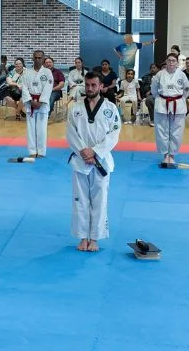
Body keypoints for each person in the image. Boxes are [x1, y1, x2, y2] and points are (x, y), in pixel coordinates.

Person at [66, 72, 121, 252]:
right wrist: (85, 152)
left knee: (100, 200)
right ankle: (83, 238)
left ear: (100, 87)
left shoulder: (111, 108)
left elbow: (114, 134)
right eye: (87, 85)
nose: (89, 88)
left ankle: (95, 238)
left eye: (93, 85)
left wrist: (95, 152)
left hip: (102, 161)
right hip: (80, 161)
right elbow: (71, 133)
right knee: (79, 201)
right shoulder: (75, 108)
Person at [151, 53, 189, 165]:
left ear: (177, 62)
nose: (171, 63)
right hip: (162, 103)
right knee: (162, 130)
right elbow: (154, 89)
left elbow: (187, 89)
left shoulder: (182, 75)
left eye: (173, 60)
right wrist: (160, 98)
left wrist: (181, 99)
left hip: (178, 103)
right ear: (166, 62)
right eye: (169, 60)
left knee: (176, 130)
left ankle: (172, 155)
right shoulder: (159, 74)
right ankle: (165, 155)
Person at [21, 50, 53, 158]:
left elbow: (48, 88)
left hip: (42, 103)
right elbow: (24, 88)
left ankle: (41, 151)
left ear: (43, 58)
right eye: (36, 58)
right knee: (30, 128)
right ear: (32, 58)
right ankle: (32, 151)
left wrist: (41, 101)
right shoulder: (27, 72)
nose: (38, 60)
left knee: (42, 128)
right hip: (30, 102)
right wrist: (30, 101)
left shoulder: (47, 72)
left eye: (40, 58)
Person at [140, 62, 160, 127]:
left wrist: (150, 90)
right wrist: (150, 90)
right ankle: (153, 119)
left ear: (158, 69)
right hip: (151, 95)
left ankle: (161, 119)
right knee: (149, 100)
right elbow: (143, 88)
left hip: (162, 94)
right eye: (151, 68)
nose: (152, 69)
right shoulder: (146, 77)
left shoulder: (161, 76)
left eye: (154, 68)